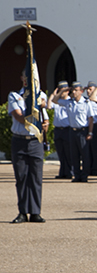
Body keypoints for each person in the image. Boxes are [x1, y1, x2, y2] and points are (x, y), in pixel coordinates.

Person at [9, 71, 48, 223]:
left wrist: (37, 102)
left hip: (35, 141)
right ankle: (23, 212)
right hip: (19, 141)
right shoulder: (14, 96)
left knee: (36, 177)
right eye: (26, 77)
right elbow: (18, 117)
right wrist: (34, 116)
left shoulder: (40, 95)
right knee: (22, 177)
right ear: (22, 79)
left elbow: (43, 104)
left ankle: (35, 212)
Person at [53, 81, 92, 182]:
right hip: (72, 131)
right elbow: (55, 100)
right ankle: (77, 175)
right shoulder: (69, 102)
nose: (74, 92)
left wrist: (90, 133)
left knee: (84, 155)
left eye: (76, 90)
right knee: (74, 155)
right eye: (72, 90)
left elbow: (90, 119)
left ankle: (84, 176)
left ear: (81, 91)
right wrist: (64, 90)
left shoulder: (86, 103)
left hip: (83, 131)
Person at [48, 80, 72, 179]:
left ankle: (69, 172)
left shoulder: (70, 101)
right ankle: (62, 172)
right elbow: (49, 105)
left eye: (64, 91)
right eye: (60, 91)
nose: (62, 93)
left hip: (67, 129)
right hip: (58, 130)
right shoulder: (57, 101)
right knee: (60, 152)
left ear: (67, 91)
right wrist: (53, 94)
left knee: (68, 152)